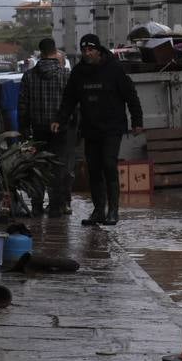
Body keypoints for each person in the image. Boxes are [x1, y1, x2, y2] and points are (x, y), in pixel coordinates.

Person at [52, 34, 143, 226]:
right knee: (94, 170)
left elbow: (131, 96)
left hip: (112, 127)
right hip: (90, 128)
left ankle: (114, 211)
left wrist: (137, 121)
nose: (87, 53)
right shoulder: (78, 72)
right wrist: (60, 119)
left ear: (98, 50)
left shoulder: (114, 69)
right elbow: (69, 98)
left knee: (109, 166)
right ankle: (99, 211)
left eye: (91, 50)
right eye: (84, 50)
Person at [17, 38, 73, 216]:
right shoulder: (66, 75)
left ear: (40, 53)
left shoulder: (29, 76)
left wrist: (25, 129)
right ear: (55, 51)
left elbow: (23, 106)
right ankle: (56, 206)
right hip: (60, 130)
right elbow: (73, 105)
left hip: (37, 129)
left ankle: (36, 205)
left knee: (37, 167)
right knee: (58, 168)